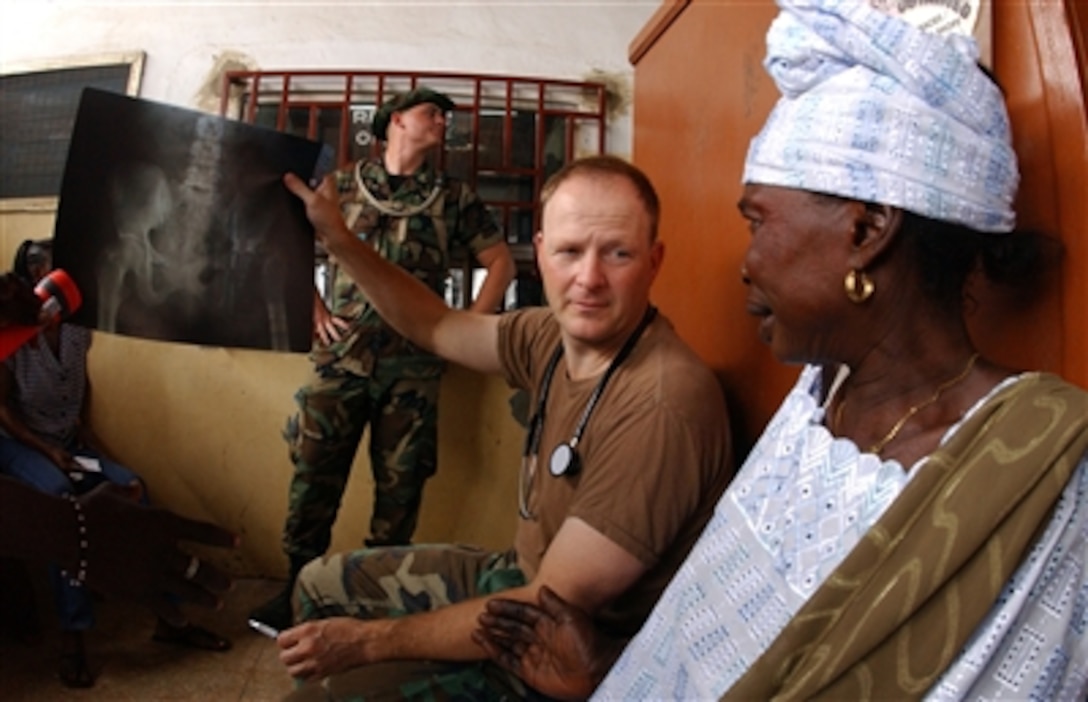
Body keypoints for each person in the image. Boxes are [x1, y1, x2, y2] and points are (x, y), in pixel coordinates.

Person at [472, 1, 1088, 700]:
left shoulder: (1040, 474)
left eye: (758, 221)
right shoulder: (820, 404)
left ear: (866, 230)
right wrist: (611, 673)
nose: (747, 262)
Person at [274, 154, 734, 699]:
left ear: (654, 262)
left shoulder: (662, 404)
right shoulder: (547, 336)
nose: (589, 279)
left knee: (324, 693)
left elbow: (546, 609)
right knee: (315, 587)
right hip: (519, 578)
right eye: (569, 252)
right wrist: (341, 240)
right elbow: (437, 324)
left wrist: (368, 643)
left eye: (618, 253)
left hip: (562, 653)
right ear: (540, 253)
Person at [250, 86, 517, 633]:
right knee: (314, 478)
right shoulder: (342, 185)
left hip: (413, 368)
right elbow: (285, 243)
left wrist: (464, 330)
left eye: (445, 115)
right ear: (395, 121)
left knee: (401, 491)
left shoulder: (451, 196)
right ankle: (296, 593)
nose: (442, 121)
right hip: (340, 361)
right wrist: (314, 307)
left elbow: (500, 263)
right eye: (430, 113)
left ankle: (373, 601)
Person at [0, 240, 232, 688]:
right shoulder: (11, 344)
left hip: (67, 439)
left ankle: (167, 618)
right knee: (63, 507)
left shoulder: (73, 329)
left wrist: (84, 434)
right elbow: (3, 409)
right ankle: (74, 636)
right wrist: (47, 450)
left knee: (133, 490)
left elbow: (78, 384)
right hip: (25, 445)